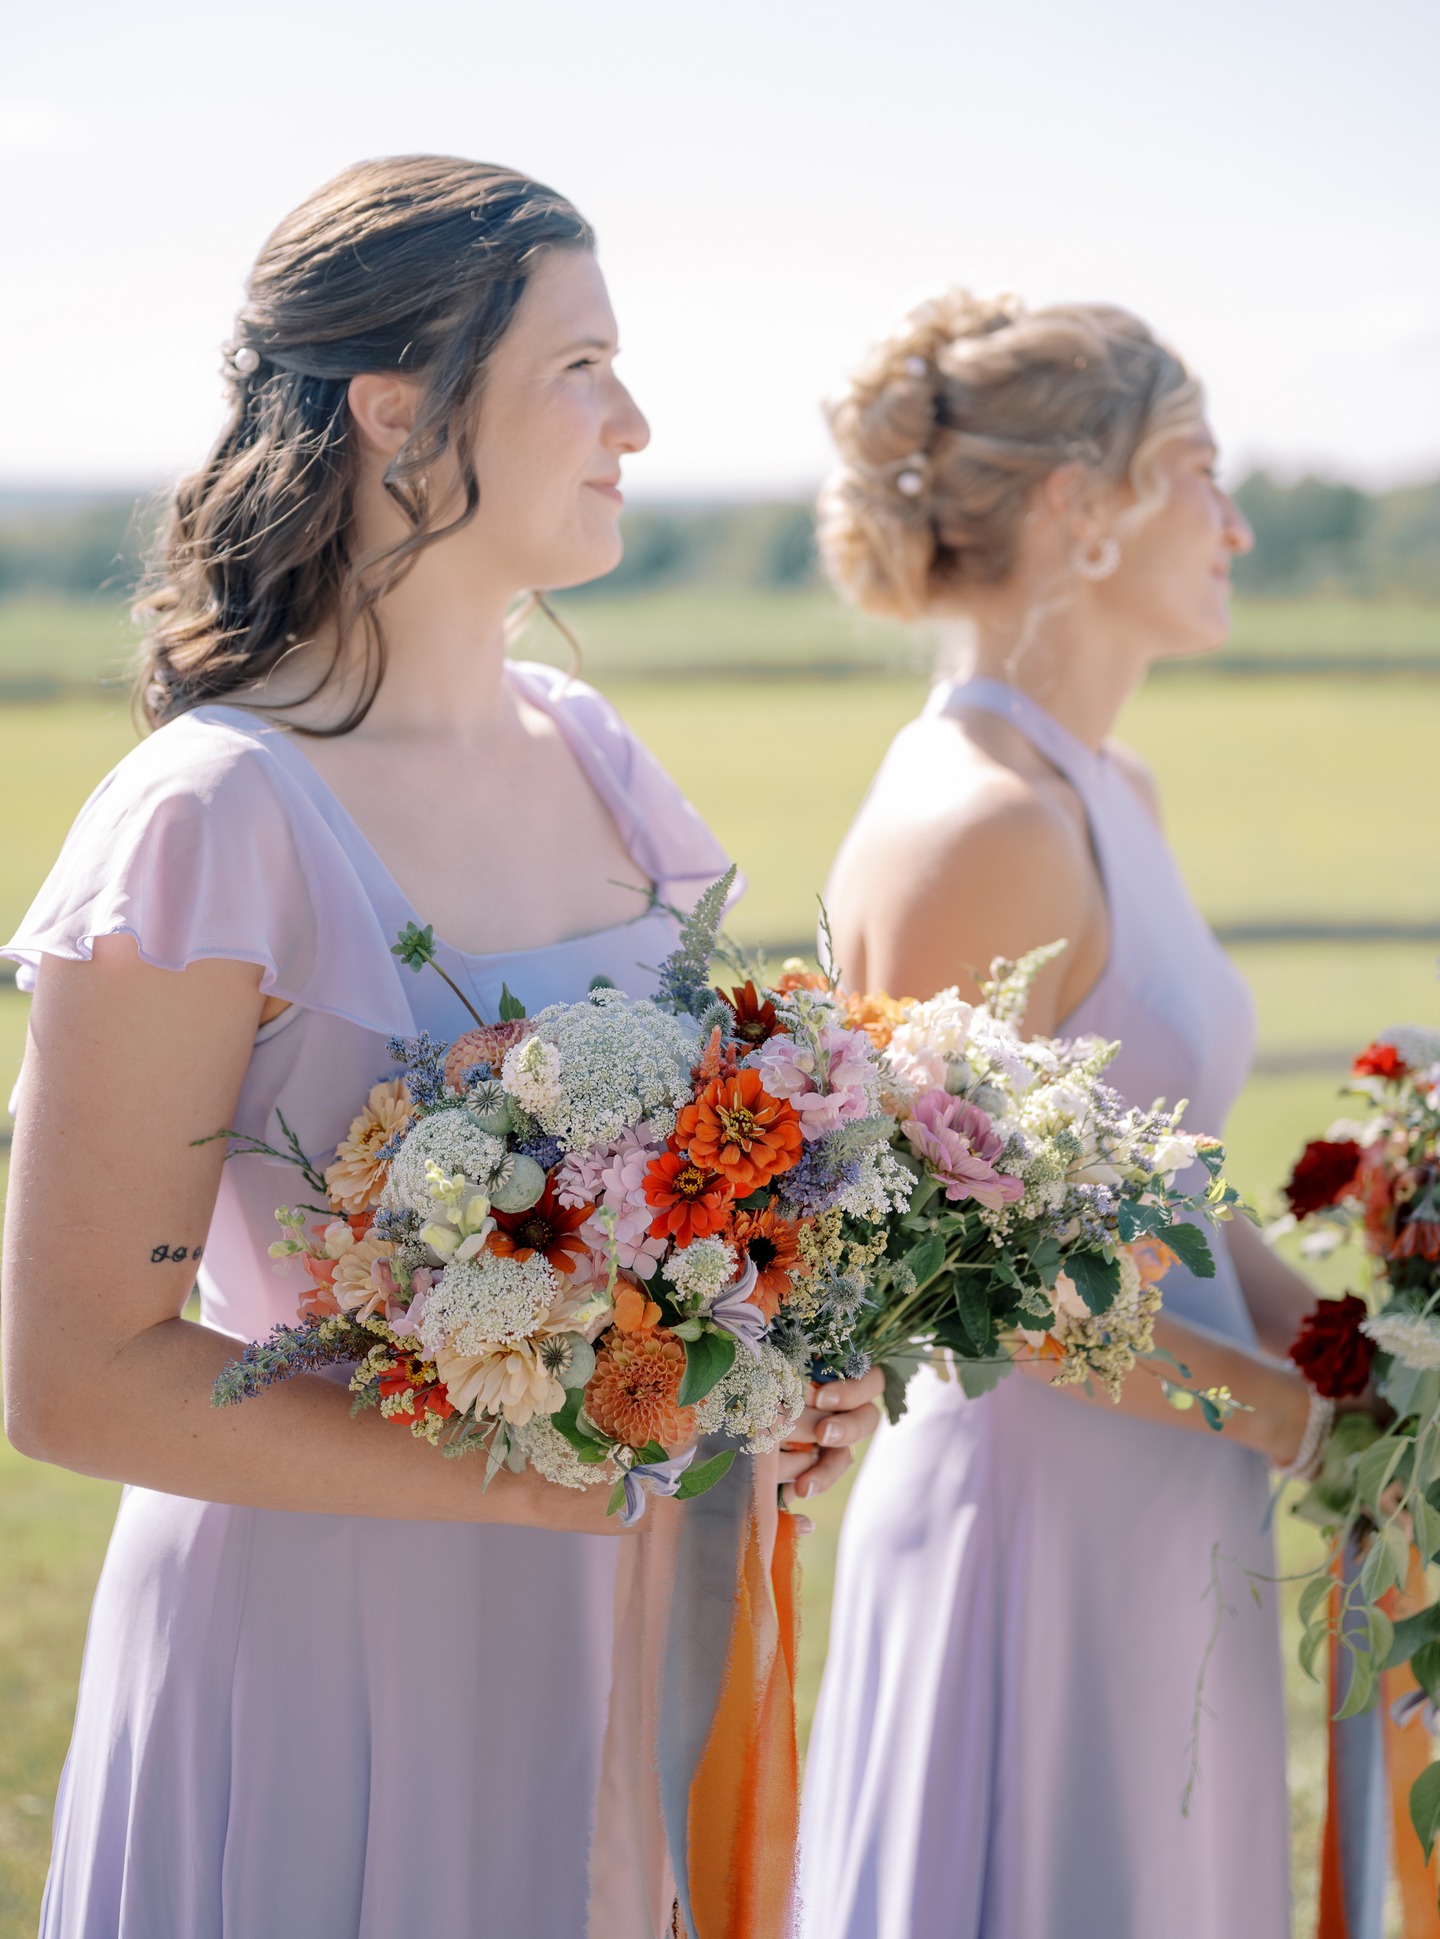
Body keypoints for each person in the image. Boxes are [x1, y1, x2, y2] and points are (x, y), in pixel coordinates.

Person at [0, 156, 878, 1939]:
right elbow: (77, 1375)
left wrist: (780, 1376)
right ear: (398, 409)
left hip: (629, 1647)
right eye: (580, 365)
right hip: (329, 1648)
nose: (632, 417)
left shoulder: (593, 752)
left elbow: (704, 1196)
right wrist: (548, 1468)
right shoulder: (213, 817)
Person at [797, 290, 1333, 1938]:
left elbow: (1152, 1183)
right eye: (1200, 471)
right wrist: (1286, 1416)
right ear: (1076, 508)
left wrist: (1354, 1365)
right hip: (1034, 1534)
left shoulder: (1112, 790)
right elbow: (968, 1283)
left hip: (1169, 1504)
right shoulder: (979, 825)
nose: (1236, 521)